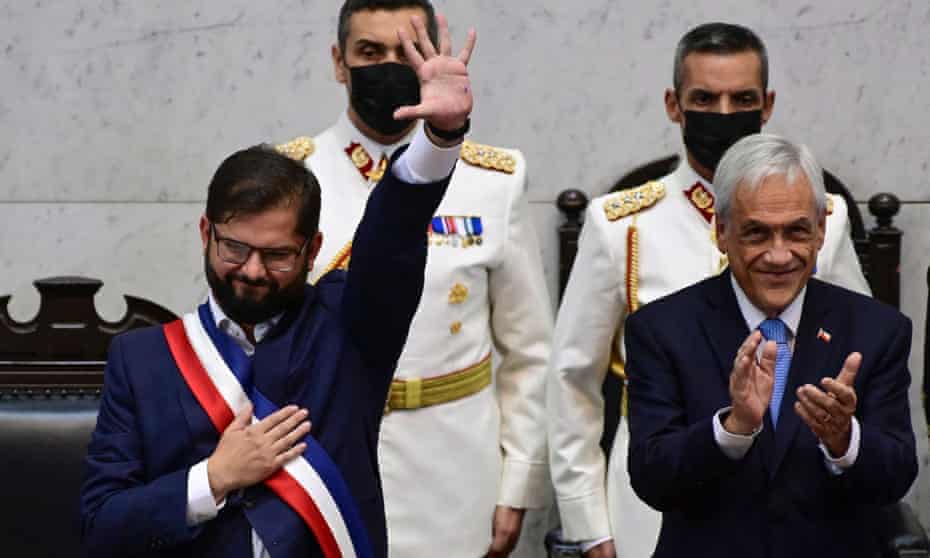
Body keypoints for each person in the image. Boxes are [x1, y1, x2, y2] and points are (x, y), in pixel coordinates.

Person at [79, 15, 475, 558]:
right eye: (235, 249)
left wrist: (441, 138)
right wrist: (214, 478)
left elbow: (394, 231)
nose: (252, 271)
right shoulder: (141, 360)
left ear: (312, 251)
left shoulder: (352, 328)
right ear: (205, 233)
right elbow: (102, 526)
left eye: (278, 255)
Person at [547, 23, 871, 557]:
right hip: (657, 495)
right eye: (705, 98)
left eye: (741, 98)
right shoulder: (622, 226)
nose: (723, 114)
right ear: (674, 105)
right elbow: (571, 380)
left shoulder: (824, 220)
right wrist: (588, 524)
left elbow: (862, 348)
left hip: (795, 488)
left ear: (766, 105)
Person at [276, 2, 552, 556]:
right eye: (368, 53)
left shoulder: (492, 180)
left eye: (402, 52)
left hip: (452, 468)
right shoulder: (289, 176)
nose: (386, 66)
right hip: (321, 460)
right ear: (338, 62)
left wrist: (517, 484)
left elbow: (529, 351)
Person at [626, 133, 917, 557]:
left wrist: (844, 440)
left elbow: (897, 475)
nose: (779, 256)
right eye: (757, 234)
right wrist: (733, 429)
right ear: (721, 232)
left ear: (820, 230)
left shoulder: (876, 330)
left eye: (796, 231)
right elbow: (652, 478)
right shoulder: (660, 329)